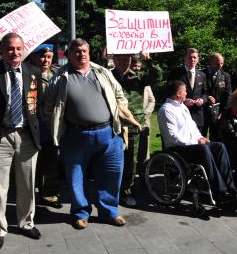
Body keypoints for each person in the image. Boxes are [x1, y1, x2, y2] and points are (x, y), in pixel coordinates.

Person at [43, 38, 131, 229]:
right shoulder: (60, 76)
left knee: (112, 174)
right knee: (76, 177)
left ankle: (109, 211)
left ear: (89, 53)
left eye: (84, 51)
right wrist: (57, 125)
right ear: (69, 55)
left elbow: (119, 95)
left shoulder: (102, 72)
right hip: (75, 136)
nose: (80, 54)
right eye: (76, 51)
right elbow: (47, 104)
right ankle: (81, 213)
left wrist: (121, 110)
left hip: (109, 133)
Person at [0, 33, 42, 252]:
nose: (15, 53)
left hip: (27, 136)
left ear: (24, 50)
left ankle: (26, 223)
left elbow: (38, 103)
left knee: (27, 184)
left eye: (19, 49)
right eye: (10, 49)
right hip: (0, 135)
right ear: (2, 50)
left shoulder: (34, 72)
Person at [157, 80, 237, 202]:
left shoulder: (183, 107)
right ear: (178, 94)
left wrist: (200, 137)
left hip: (193, 145)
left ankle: (230, 187)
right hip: (178, 149)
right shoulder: (166, 110)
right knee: (203, 149)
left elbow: (192, 127)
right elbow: (173, 137)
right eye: (184, 91)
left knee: (219, 146)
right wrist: (195, 143)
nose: (186, 93)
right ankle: (219, 190)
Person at [112, 53, 160, 207]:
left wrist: (149, 60)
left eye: (126, 59)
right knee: (110, 159)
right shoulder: (107, 75)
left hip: (133, 124)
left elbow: (157, 76)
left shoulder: (138, 77)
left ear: (131, 60)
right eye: (119, 59)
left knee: (131, 161)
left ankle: (126, 191)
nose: (123, 62)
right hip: (112, 123)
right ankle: (111, 189)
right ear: (114, 60)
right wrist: (102, 58)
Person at [29, 44, 62, 209]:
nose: (45, 60)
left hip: (50, 125)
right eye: (42, 56)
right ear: (34, 57)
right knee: (31, 163)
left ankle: (49, 194)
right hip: (32, 124)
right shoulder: (27, 74)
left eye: (49, 57)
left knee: (50, 160)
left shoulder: (57, 74)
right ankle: (29, 196)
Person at [168, 48, 208, 132]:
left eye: (194, 57)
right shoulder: (175, 74)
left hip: (198, 116)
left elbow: (205, 93)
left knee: (199, 142)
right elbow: (169, 93)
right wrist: (184, 101)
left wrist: (202, 100)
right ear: (184, 58)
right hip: (180, 115)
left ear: (198, 59)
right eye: (190, 57)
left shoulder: (202, 75)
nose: (192, 59)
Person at [201, 53, 231, 140]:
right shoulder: (201, 74)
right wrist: (207, 98)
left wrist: (223, 111)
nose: (220, 66)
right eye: (217, 64)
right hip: (203, 110)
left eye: (222, 63)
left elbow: (228, 95)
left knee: (216, 136)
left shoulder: (225, 76)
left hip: (217, 112)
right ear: (210, 62)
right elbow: (197, 91)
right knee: (201, 136)